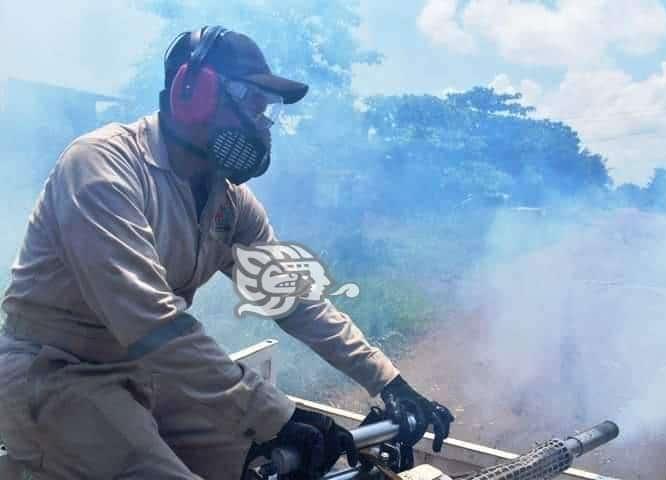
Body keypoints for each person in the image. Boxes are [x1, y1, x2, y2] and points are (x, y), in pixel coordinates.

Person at [0, 26, 453, 479]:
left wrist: (388, 381)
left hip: (145, 370)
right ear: (192, 93)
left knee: (277, 463)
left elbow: (294, 300)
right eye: (253, 106)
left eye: (265, 112)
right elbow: (149, 320)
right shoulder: (101, 167)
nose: (263, 125)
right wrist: (278, 415)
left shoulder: (229, 202)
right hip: (55, 373)